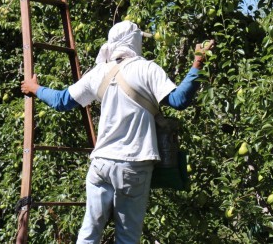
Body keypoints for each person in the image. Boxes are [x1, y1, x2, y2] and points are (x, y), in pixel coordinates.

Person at [20, 20, 214, 244]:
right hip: (133, 166)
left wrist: (35, 88)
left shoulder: (99, 72)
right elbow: (179, 100)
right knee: (127, 237)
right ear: (136, 41)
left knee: (89, 232)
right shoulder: (147, 69)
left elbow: (62, 101)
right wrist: (199, 62)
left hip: (100, 164)